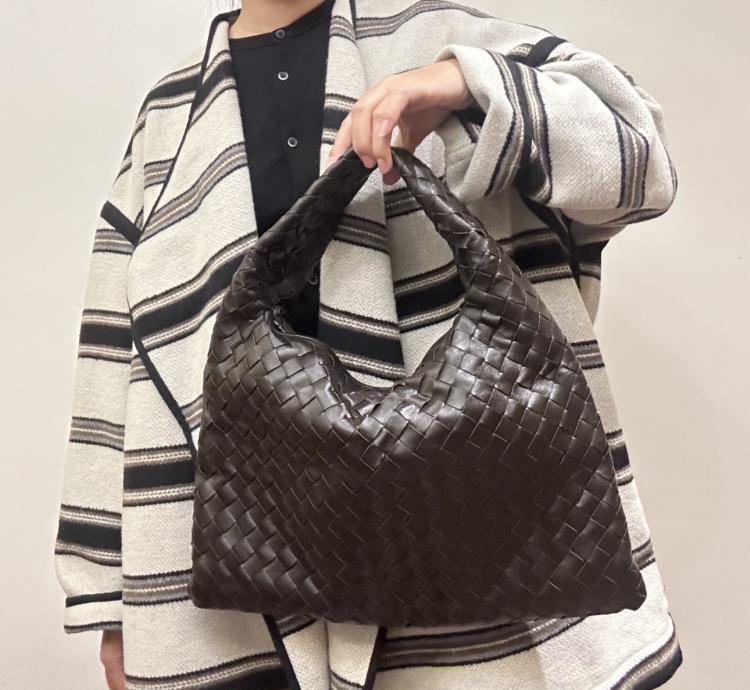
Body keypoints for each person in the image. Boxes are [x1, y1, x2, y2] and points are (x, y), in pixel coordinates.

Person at [52, 1, 682, 689]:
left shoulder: (443, 37)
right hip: (237, 558)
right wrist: (109, 596)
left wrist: (464, 83)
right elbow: (113, 338)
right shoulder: (169, 114)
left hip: (467, 531)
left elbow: (642, 157)